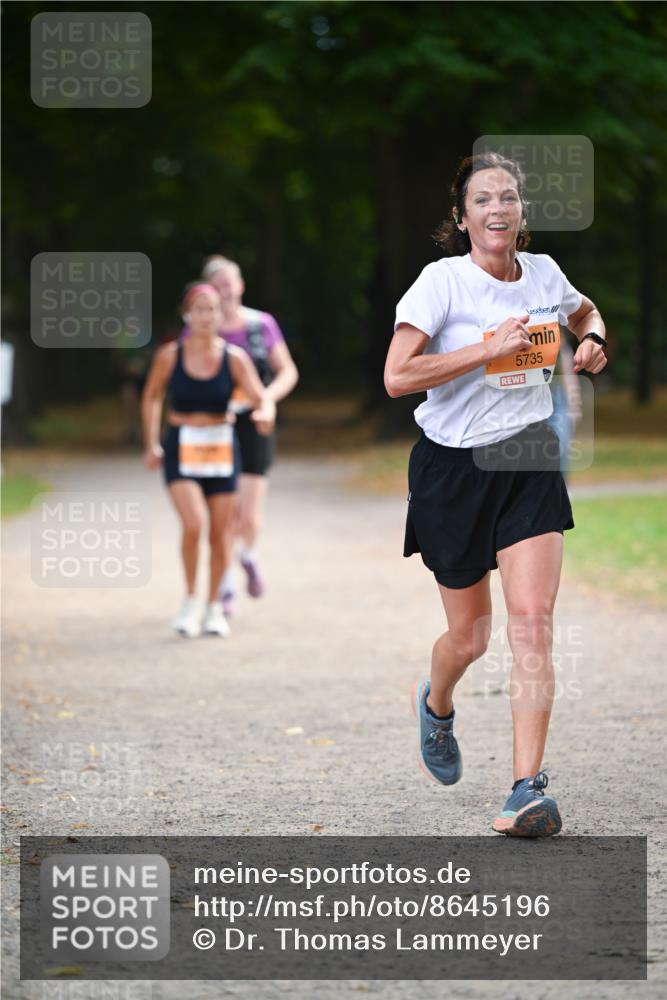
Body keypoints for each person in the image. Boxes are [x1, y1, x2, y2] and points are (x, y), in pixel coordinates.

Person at [384, 152, 607, 837]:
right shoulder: (440, 284)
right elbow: (397, 376)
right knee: (469, 635)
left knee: (532, 620)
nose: (498, 209)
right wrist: (483, 349)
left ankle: (524, 789)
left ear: (520, 213)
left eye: (508, 197)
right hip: (452, 471)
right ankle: (438, 701)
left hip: (527, 456)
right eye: (483, 199)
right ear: (464, 217)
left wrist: (592, 338)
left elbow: (583, 311)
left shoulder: (542, 275)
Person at [142, 283, 275, 638]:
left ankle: (214, 606)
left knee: (220, 534)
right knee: (194, 525)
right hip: (181, 447)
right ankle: (189, 602)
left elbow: (260, 398)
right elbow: (152, 396)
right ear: (187, 314)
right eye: (199, 309)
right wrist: (152, 443)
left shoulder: (234, 358)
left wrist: (262, 414)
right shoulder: (171, 355)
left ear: (221, 315)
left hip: (220, 449)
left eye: (212, 309)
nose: (206, 315)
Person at [201, 256, 298, 615]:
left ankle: (249, 555)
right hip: (213, 429)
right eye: (218, 286)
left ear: (241, 286)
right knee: (224, 513)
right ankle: (226, 586)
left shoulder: (261, 326)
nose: (226, 292)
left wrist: (267, 401)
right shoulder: (199, 330)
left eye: (231, 284)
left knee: (248, 515)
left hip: (256, 422)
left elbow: (287, 371)